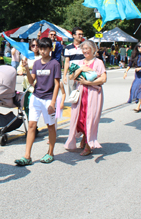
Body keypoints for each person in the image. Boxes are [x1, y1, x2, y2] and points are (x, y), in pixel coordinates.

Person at [15, 37, 60, 165]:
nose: (42, 51)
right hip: (36, 97)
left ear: (50, 49)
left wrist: (53, 102)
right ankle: (27, 156)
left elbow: (56, 84)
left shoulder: (55, 64)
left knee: (50, 126)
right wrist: (27, 70)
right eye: (40, 48)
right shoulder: (36, 63)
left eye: (45, 48)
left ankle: (50, 153)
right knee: (31, 126)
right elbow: (31, 81)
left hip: (48, 99)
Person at [65, 40, 107, 156]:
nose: (85, 51)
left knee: (91, 118)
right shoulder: (79, 62)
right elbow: (72, 77)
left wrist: (87, 82)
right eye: (83, 49)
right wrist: (80, 69)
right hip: (81, 95)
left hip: (93, 94)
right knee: (80, 118)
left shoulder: (98, 62)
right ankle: (84, 137)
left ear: (93, 49)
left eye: (87, 49)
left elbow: (103, 79)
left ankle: (88, 145)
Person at [123, 42, 141, 112]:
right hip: (138, 75)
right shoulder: (135, 55)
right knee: (134, 87)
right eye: (139, 46)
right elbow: (130, 63)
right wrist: (126, 71)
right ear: (137, 47)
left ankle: (138, 106)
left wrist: (140, 68)